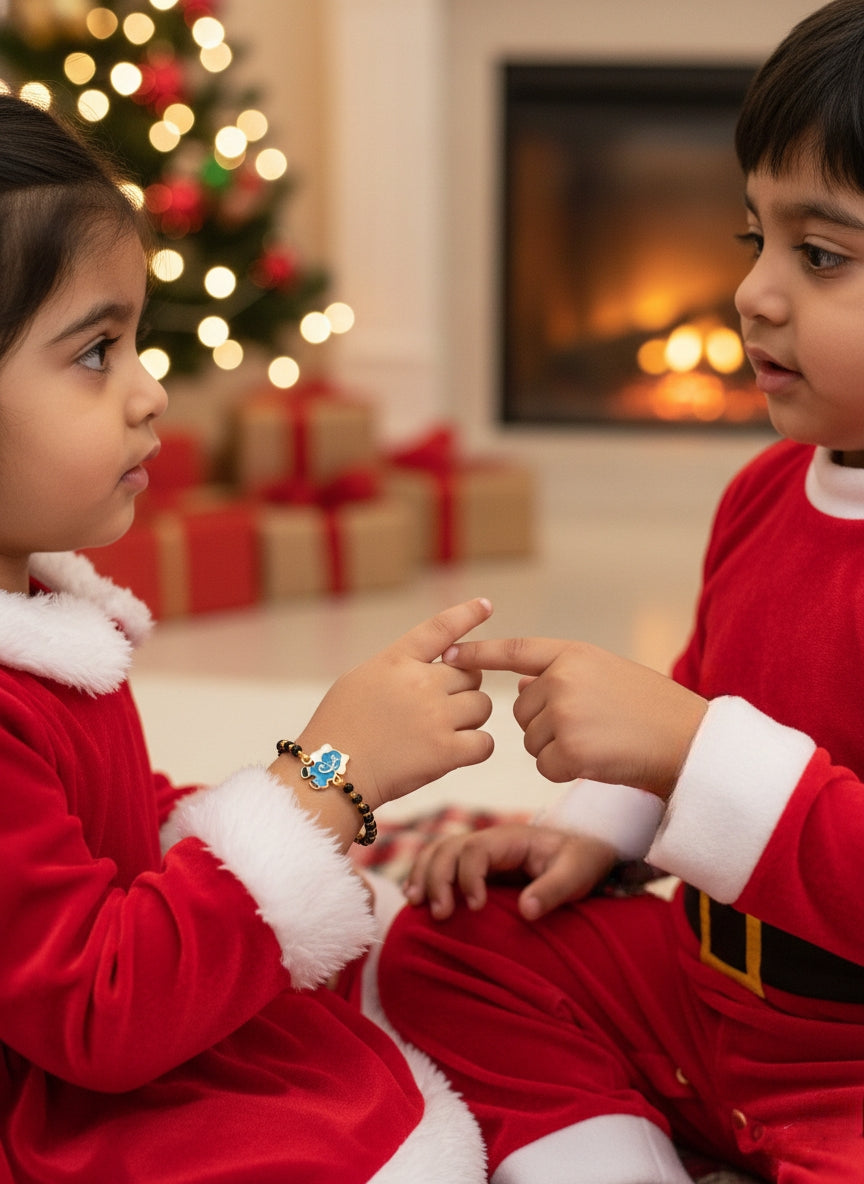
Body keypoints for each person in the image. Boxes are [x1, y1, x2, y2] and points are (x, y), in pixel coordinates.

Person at [377, 2, 864, 1182]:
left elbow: (703, 731)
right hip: (710, 1003)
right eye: (755, 237)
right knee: (447, 945)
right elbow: (711, 684)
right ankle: (606, 1155)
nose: (753, 292)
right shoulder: (763, 491)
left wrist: (693, 746)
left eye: (824, 254)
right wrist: (596, 826)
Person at [0, 92, 496, 1183]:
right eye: (95, 351)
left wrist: (288, 818)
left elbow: (107, 827)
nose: (149, 390)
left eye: (137, 339)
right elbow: (100, 1010)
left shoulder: (43, 623)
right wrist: (326, 779)